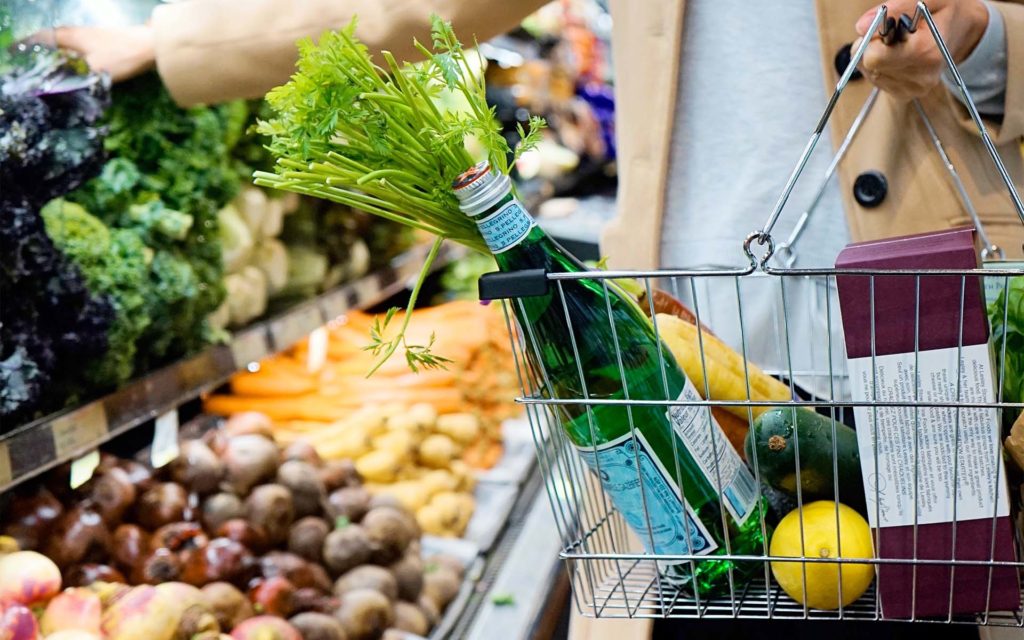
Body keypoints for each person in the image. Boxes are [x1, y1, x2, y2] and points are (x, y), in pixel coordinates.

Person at [54, 1, 1024, 639]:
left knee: (947, 598)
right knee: (711, 592)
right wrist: (171, 45)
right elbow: (400, 5)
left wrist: (983, 45)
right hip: (687, 351)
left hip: (944, 357)